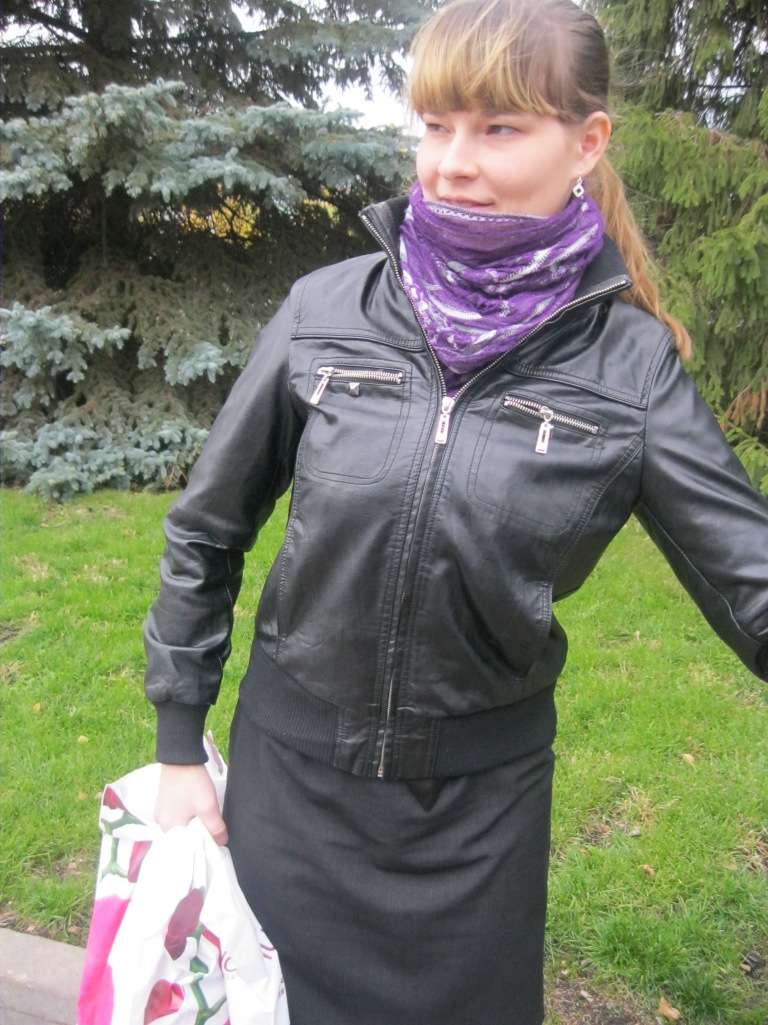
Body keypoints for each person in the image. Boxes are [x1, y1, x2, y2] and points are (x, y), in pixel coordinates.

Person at [144, 0, 768, 1022]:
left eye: (499, 127)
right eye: (435, 125)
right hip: (288, 797)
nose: (451, 164)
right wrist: (180, 743)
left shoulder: (631, 370)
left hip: (475, 833)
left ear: (588, 142)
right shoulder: (326, 312)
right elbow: (206, 527)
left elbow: (753, 582)